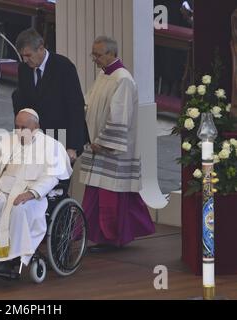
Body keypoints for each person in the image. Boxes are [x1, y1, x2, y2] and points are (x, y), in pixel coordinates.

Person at [0, 109, 72, 279]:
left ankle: (9, 262)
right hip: (4, 192)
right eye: (17, 127)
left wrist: (32, 193)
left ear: (36, 126)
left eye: (24, 127)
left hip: (33, 197)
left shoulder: (52, 146)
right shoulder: (7, 142)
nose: (20, 132)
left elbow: (52, 177)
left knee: (19, 209)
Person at [80, 36, 155, 253]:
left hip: (110, 150)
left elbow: (119, 117)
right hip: (97, 146)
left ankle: (110, 238)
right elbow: (90, 103)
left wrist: (102, 142)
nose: (94, 59)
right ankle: (91, 234)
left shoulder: (123, 79)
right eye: (93, 54)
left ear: (112, 54)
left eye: (98, 55)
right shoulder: (104, 75)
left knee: (110, 199)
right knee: (96, 194)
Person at [12, 28, 88, 163]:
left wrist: (72, 146)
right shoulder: (24, 69)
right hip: (35, 140)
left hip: (60, 138)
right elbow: (22, 103)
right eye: (22, 55)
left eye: (28, 55)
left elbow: (75, 107)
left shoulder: (63, 67)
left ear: (41, 48)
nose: (25, 60)